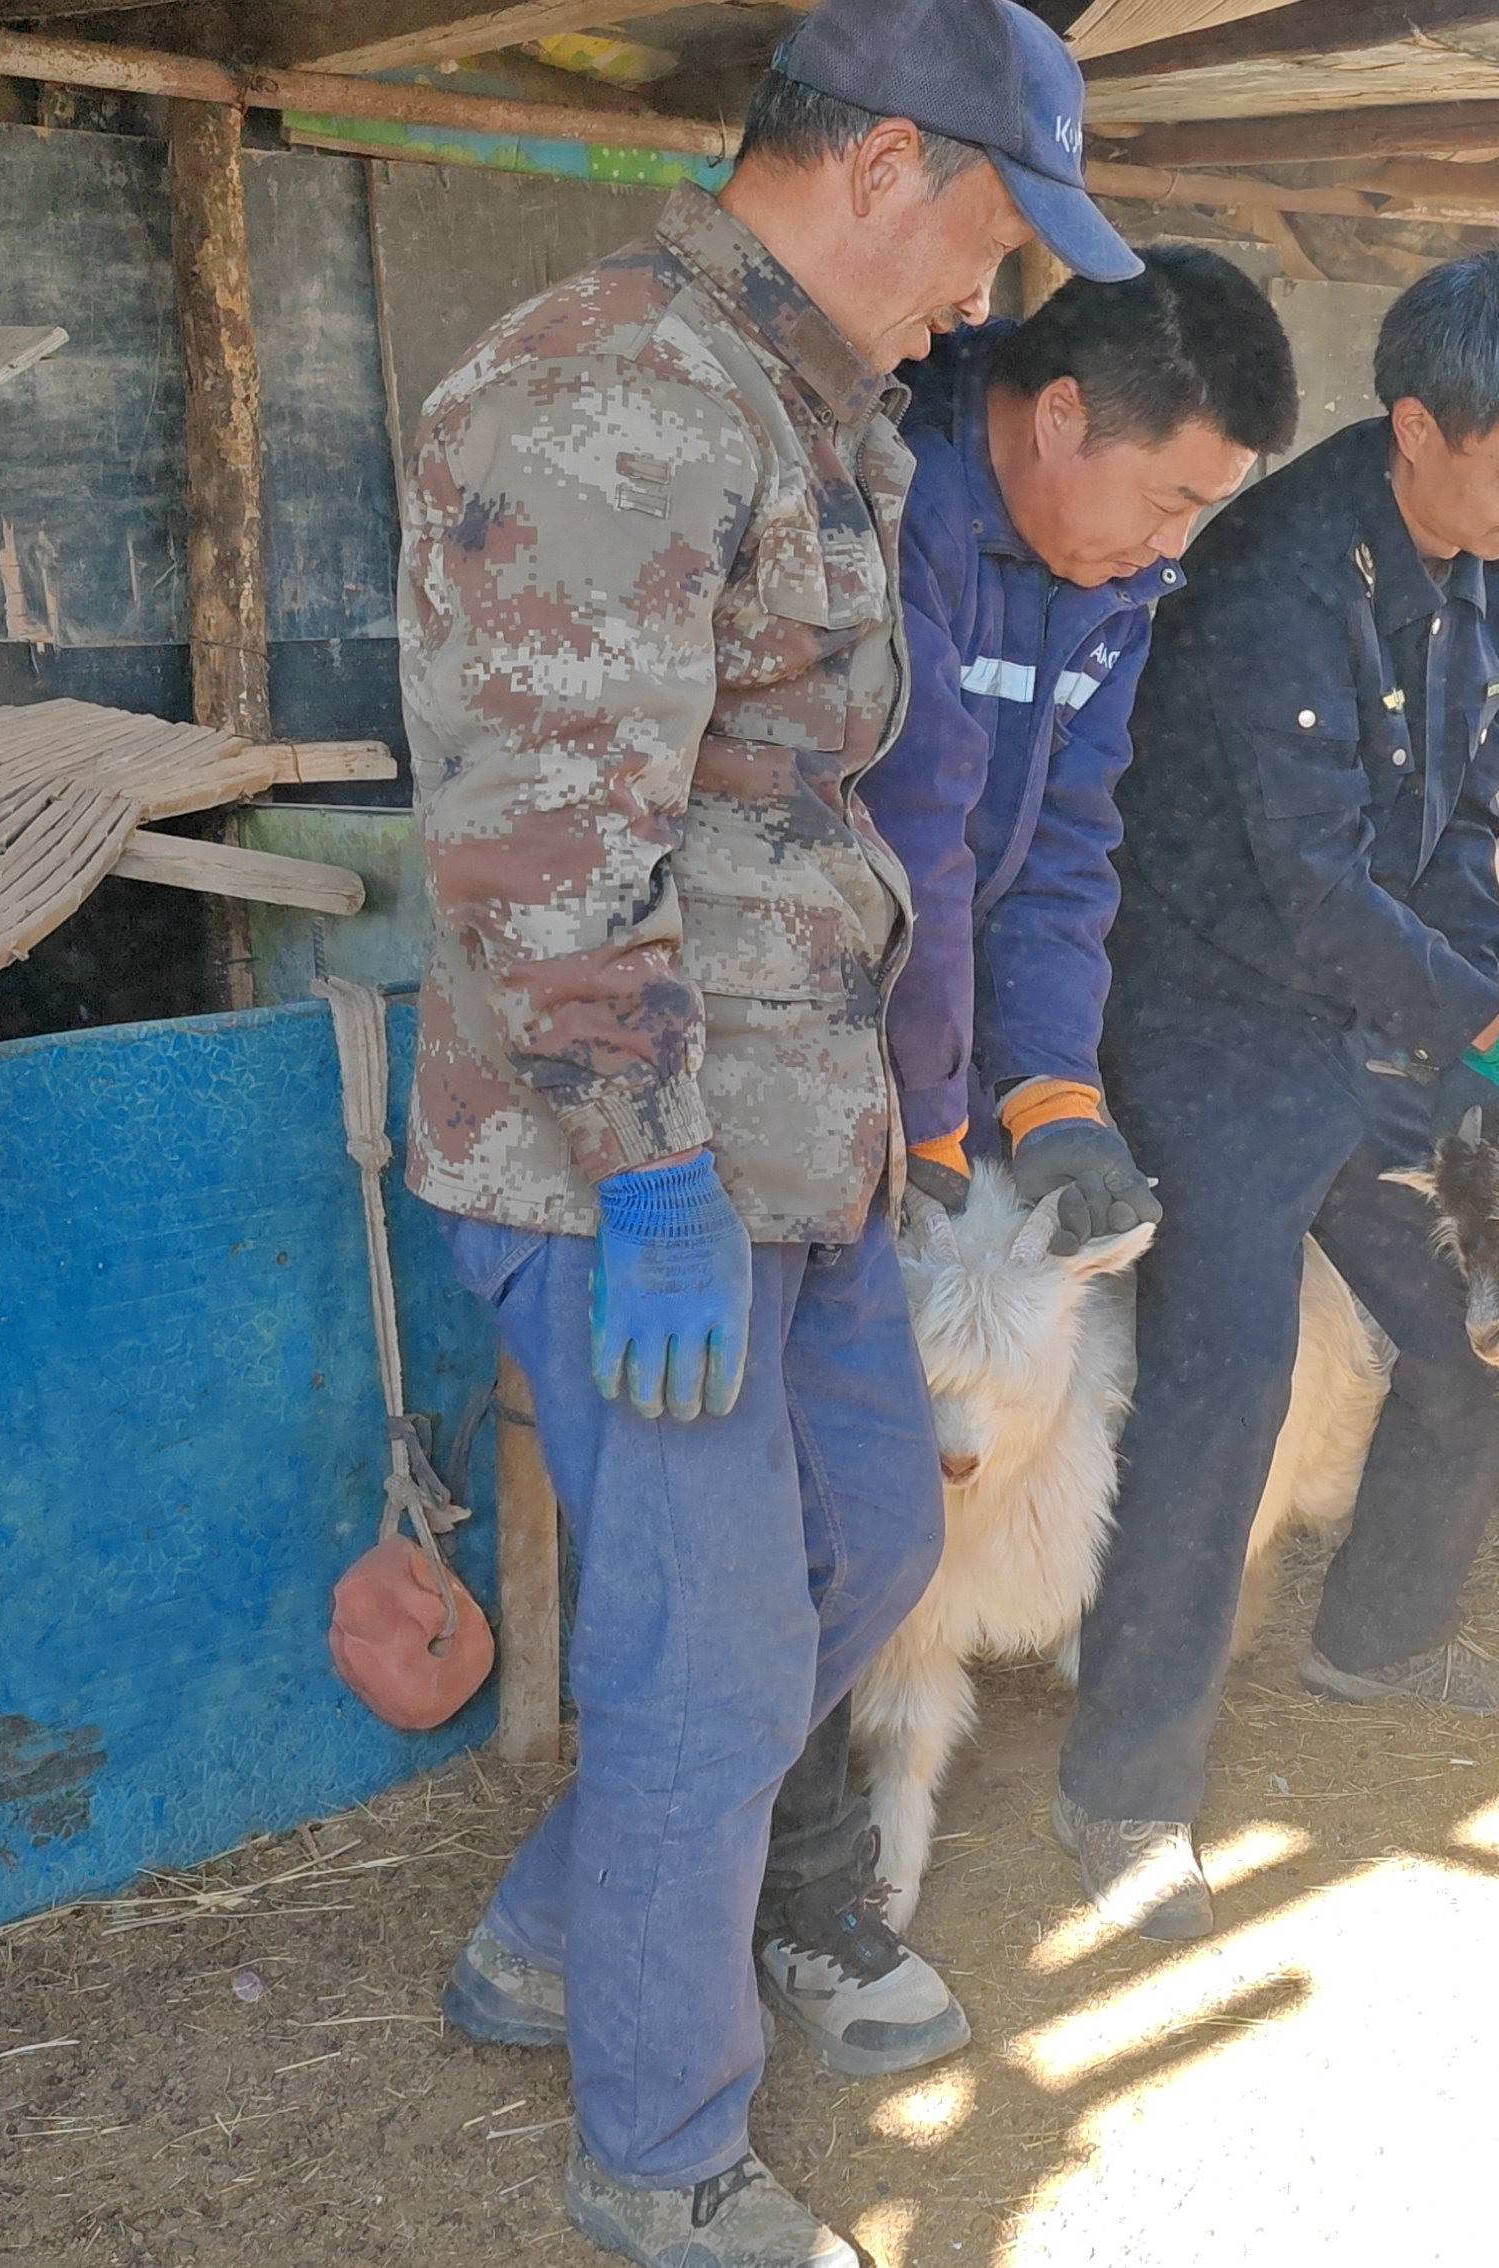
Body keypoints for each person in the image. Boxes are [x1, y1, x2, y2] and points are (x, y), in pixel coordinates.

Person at [401, 0, 1138, 2255]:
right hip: (634, 1161)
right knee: (712, 1664)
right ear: (889, 165)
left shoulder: (812, 406)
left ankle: (554, 1932)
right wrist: (645, 1171)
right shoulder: (618, 392)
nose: (986, 301)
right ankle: (662, 2156)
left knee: (871, 1560)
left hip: (797, 1148)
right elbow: (542, 836)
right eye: (992, 239)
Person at [744, 245, 1299, 2079]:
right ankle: (803, 1902)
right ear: (1061, 417)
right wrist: (921, 1123)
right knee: (813, 1504)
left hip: (927, 1060)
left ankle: (719, 1892)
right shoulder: (886, 497)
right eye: (1168, 498)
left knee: (896, 1495)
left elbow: (1059, 849)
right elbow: (899, 827)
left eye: (1200, 517)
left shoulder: (1103, 580)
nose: (1169, 548)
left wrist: (1050, 1099)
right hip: (767, 1056)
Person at [1054, 243, 1499, 1939]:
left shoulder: (1497, 567)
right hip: (1212, 1025)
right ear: (1413, 427)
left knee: (1476, 1321)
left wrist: (1479, 1039)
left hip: (1367, 1019)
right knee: (1218, 1400)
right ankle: (1124, 1793)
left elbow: (1457, 817)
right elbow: (1308, 890)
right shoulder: (1271, 583)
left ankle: (1376, 1639)